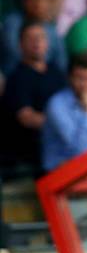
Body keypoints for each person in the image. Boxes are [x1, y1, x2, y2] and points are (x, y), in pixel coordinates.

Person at [1, 21, 66, 176]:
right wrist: (63, 126)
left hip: (59, 145)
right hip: (31, 152)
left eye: (41, 37)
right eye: (30, 38)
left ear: (48, 43)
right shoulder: (17, 78)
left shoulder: (56, 72)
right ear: (20, 45)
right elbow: (27, 118)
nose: (36, 42)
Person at [42, 53, 87, 171]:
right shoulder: (56, 104)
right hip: (58, 173)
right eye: (80, 78)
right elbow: (80, 150)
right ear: (70, 77)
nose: (85, 84)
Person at [1, 0, 67, 73]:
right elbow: (14, 52)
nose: (38, 3)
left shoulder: (52, 30)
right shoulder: (12, 22)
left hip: (44, 81)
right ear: (24, 2)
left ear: (48, 2)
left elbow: (61, 64)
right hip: (13, 79)